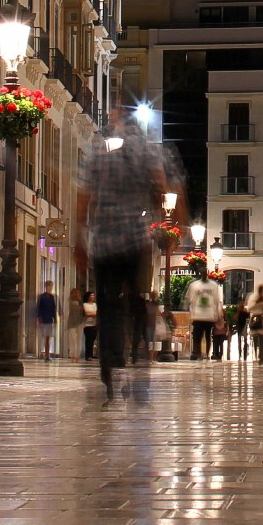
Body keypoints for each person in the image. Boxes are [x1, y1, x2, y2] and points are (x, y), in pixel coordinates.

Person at [77, 107, 177, 403]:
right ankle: (139, 359)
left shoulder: (100, 151)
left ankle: (109, 371)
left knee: (107, 308)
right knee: (137, 300)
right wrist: (166, 223)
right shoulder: (147, 152)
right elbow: (161, 188)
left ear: (119, 123)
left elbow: (84, 197)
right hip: (135, 240)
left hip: (104, 241)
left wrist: (80, 241)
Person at [186, 271, 223, 360]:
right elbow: (191, 300)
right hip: (198, 315)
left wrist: (218, 314)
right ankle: (198, 353)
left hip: (208, 316)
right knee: (198, 336)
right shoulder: (195, 285)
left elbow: (217, 300)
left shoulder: (213, 286)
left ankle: (206, 353)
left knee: (207, 335)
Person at [34, 281, 59, 361]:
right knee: (42, 336)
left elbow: (54, 308)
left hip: (49, 319)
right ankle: (41, 353)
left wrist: (55, 319)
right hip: (43, 319)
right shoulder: (41, 297)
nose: (50, 288)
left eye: (51, 286)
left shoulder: (52, 297)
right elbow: (38, 307)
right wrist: (38, 317)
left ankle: (47, 355)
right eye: (48, 286)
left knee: (48, 337)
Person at [246, 285, 263, 363]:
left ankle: (262, 356)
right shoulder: (253, 298)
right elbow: (249, 308)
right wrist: (257, 303)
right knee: (256, 339)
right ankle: (258, 355)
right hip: (255, 321)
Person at [64, 287, 86, 360]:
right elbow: (67, 313)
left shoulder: (80, 303)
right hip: (72, 322)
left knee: (78, 339)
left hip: (79, 322)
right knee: (73, 339)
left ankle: (77, 354)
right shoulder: (69, 302)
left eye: (75, 293)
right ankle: (73, 353)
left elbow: (83, 313)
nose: (74, 295)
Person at [82, 290, 99, 361]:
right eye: (91, 295)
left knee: (92, 340)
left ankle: (91, 354)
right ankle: (87, 355)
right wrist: (93, 314)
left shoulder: (95, 305)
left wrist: (93, 314)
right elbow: (86, 314)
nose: (93, 297)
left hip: (94, 324)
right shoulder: (85, 304)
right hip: (87, 325)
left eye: (93, 295)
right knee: (88, 340)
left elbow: (97, 313)